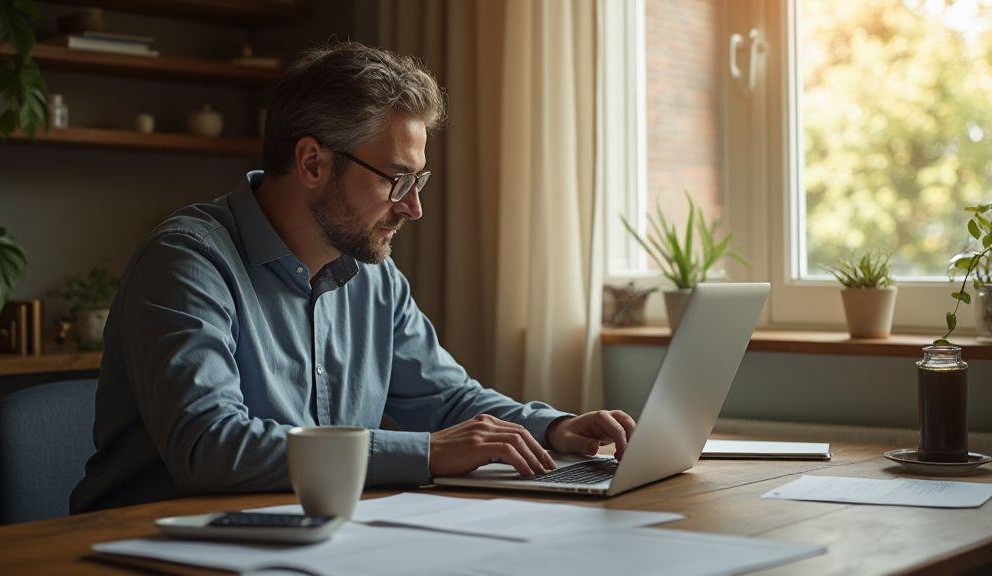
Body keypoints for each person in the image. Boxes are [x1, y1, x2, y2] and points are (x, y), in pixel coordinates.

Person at [70, 42, 636, 514]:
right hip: (146, 547)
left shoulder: (373, 273)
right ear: (313, 163)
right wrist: (429, 453)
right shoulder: (187, 261)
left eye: (419, 181)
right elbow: (212, 446)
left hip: (308, 540)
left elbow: (445, 400)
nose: (413, 208)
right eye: (396, 179)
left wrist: (554, 427)